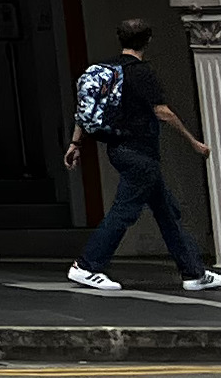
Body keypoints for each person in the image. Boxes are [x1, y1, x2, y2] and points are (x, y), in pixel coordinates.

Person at [62, 18, 221, 295]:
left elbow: (85, 109)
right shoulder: (141, 72)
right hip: (139, 154)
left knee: (166, 212)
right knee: (124, 211)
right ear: (148, 40)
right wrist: (193, 142)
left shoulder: (108, 70)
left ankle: (194, 273)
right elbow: (162, 111)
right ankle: (87, 266)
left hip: (121, 150)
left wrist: (76, 143)